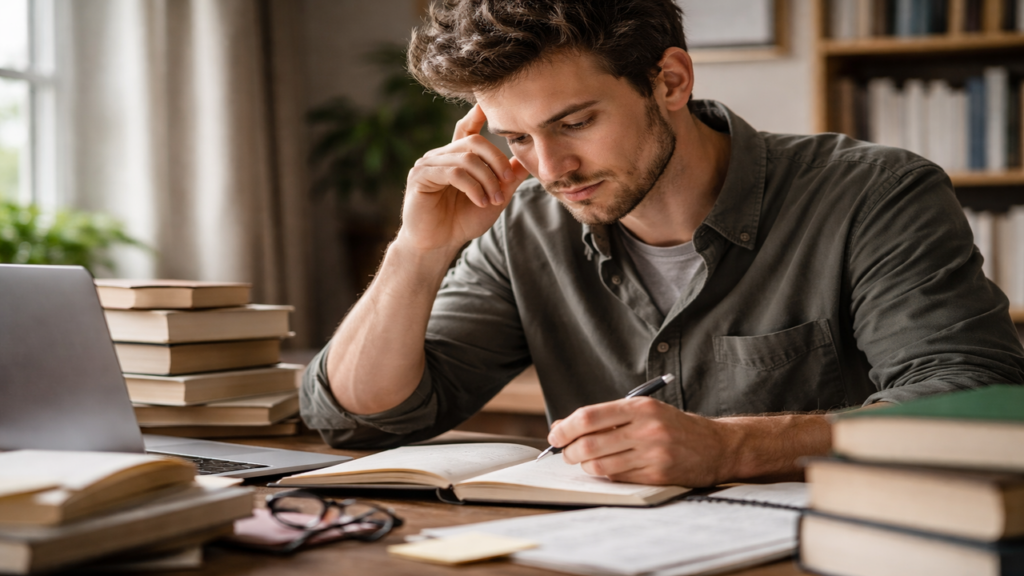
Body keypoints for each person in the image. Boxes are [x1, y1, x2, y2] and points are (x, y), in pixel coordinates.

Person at [300, 0, 1024, 487]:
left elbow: (981, 404)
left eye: (576, 122)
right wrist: (418, 250)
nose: (549, 170)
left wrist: (733, 446)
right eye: (517, 137)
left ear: (670, 80)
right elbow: (357, 417)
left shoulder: (873, 195)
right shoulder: (526, 224)